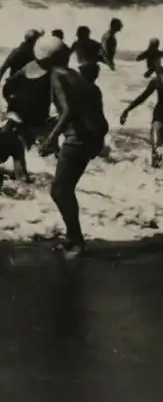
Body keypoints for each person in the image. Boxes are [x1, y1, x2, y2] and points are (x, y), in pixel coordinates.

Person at [37, 36, 110, 259]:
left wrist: (51, 139)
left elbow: (67, 110)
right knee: (64, 189)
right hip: (90, 137)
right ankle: (72, 237)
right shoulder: (72, 74)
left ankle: (77, 241)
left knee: (60, 190)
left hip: (79, 139)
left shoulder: (57, 76)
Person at [1, 39, 58, 181]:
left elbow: (8, 84)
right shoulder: (16, 145)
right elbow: (22, 178)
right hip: (35, 117)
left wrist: (10, 98)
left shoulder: (28, 67)